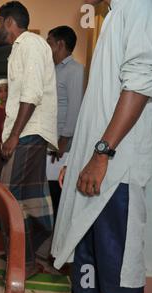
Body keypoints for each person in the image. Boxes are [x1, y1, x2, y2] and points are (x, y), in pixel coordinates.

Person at [51, 0, 152, 293]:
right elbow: (98, 104)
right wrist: (77, 161)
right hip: (94, 169)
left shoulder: (142, 4)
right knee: (86, 277)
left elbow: (139, 84)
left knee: (117, 281)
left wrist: (102, 154)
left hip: (115, 176)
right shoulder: (115, 13)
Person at [0, 1, 58, 277]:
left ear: (9, 22)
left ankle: (24, 262)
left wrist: (14, 136)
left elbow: (31, 94)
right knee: (28, 200)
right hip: (28, 132)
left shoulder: (29, 44)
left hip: (29, 132)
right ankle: (25, 258)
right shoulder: (22, 48)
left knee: (8, 197)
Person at [46, 25, 85, 216]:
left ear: (60, 44)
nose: (48, 48)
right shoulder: (53, 70)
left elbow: (75, 108)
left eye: (50, 43)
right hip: (50, 144)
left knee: (59, 194)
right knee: (49, 194)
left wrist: (63, 140)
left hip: (63, 147)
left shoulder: (75, 70)